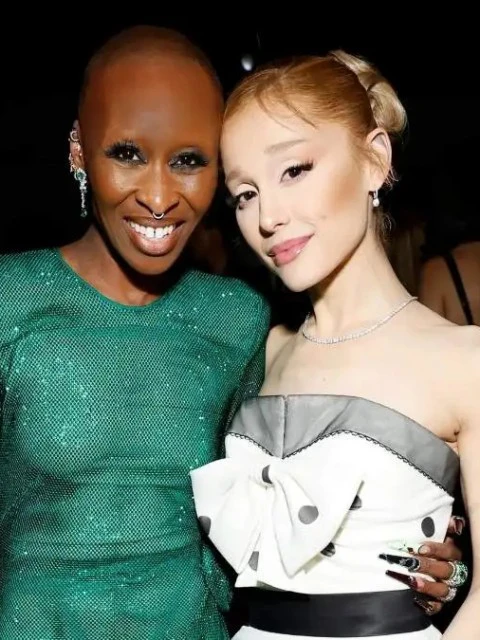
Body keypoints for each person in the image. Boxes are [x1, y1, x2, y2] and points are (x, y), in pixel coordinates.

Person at [190, 50, 477, 638]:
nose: (268, 216)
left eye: (294, 170)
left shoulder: (462, 360)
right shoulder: (263, 350)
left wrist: (451, 575)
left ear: (375, 159)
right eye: (244, 194)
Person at [0, 25, 270, 639]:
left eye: (188, 161)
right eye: (127, 154)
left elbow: (268, 504)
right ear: (78, 150)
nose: (158, 195)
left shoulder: (235, 318)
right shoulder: (11, 298)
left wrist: (412, 549)